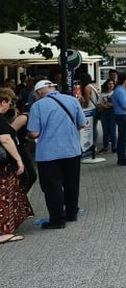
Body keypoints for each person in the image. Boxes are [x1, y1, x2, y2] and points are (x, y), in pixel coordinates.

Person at [27, 80, 87, 228]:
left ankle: (57, 220)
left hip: (48, 154)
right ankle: (71, 214)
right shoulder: (72, 100)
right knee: (72, 183)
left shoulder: (38, 106)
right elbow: (82, 123)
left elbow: (34, 133)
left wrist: (30, 136)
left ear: (40, 91)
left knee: (52, 187)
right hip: (72, 150)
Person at [0, 88, 34, 242]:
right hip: (3, 165)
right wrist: (18, 159)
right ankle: (3, 232)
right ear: (3, 102)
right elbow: (5, 139)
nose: (10, 105)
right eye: (9, 102)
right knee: (3, 196)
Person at [97, 79, 117, 154]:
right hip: (104, 112)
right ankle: (105, 147)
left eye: (112, 84)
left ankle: (114, 147)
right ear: (106, 85)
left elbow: (118, 103)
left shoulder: (115, 93)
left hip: (112, 112)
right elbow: (98, 104)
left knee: (112, 130)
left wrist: (111, 105)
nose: (111, 85)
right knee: (105, 130)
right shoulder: (102, 94)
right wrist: (103, 105)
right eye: (109, 84)